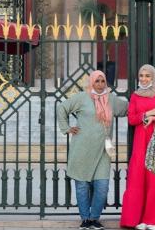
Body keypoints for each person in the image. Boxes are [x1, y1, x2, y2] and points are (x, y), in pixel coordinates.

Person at [58, 70, 129, 230]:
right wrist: (67, 128)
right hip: (82, 149)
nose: (100, 84)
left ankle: (94, 219)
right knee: (82, 186)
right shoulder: (82, 98)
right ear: (91, 82)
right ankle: (85, 220)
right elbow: (62, 108)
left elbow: (129, 109)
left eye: (102, 81)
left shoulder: (111, 99)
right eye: (96, 81)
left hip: (103, 150)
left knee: (102, 186)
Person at [120, 64, 155, 230]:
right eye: (141, 75)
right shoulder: (135, 96)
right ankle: (137, 219)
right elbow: (132, 118)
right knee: (138, 178)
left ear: (154, 77)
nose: (143, 79)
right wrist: (148, 114)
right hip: (140, 142)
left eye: (147, 76)